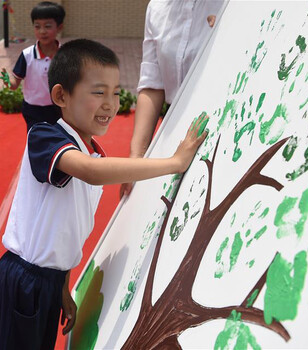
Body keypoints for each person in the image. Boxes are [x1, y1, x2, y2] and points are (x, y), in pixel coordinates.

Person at [0, 38, 208, 350]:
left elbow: (68, 230)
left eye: (114, 92)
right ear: (61, 95)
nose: (110, 103)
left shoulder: (92, 154)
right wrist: (174, 163)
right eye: (98, 92)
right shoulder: (45, 137)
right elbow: (90, 171)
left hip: (49, 281)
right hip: (25, 280)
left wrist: (63, 287)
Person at [121, 0, 225, 197]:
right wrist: (136, 159)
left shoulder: (235, 5)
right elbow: (153, 85)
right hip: (174, 128)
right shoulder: (157, 7)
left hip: (222, 122)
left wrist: (231, 36)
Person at [1, 1, 65, 130]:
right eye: (37, 26)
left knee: (58, 142)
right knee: (36, 141)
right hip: (33, 109)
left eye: (47, 26)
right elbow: (15, 85)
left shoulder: (65, 55)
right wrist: (7, 82)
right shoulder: (27, 55)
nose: (42, 31)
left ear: (59, 27)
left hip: (58, 109)